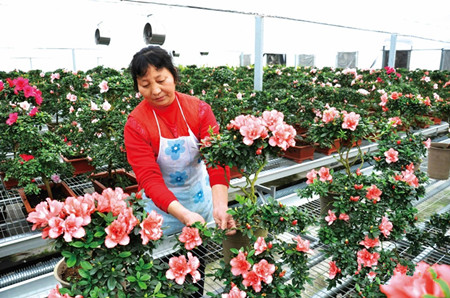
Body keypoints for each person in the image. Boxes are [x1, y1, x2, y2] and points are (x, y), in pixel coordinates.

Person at [124, 45, 236, 236]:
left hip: (200, 201)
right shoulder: (136, 124)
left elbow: (217, 160)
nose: (156, 90)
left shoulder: (199, 110)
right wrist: (183, 214)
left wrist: (221, 206)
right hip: (161, 213)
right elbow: (149, 178)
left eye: (161, 80)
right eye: (145, 85)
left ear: (174, 75)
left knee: (200, 259)